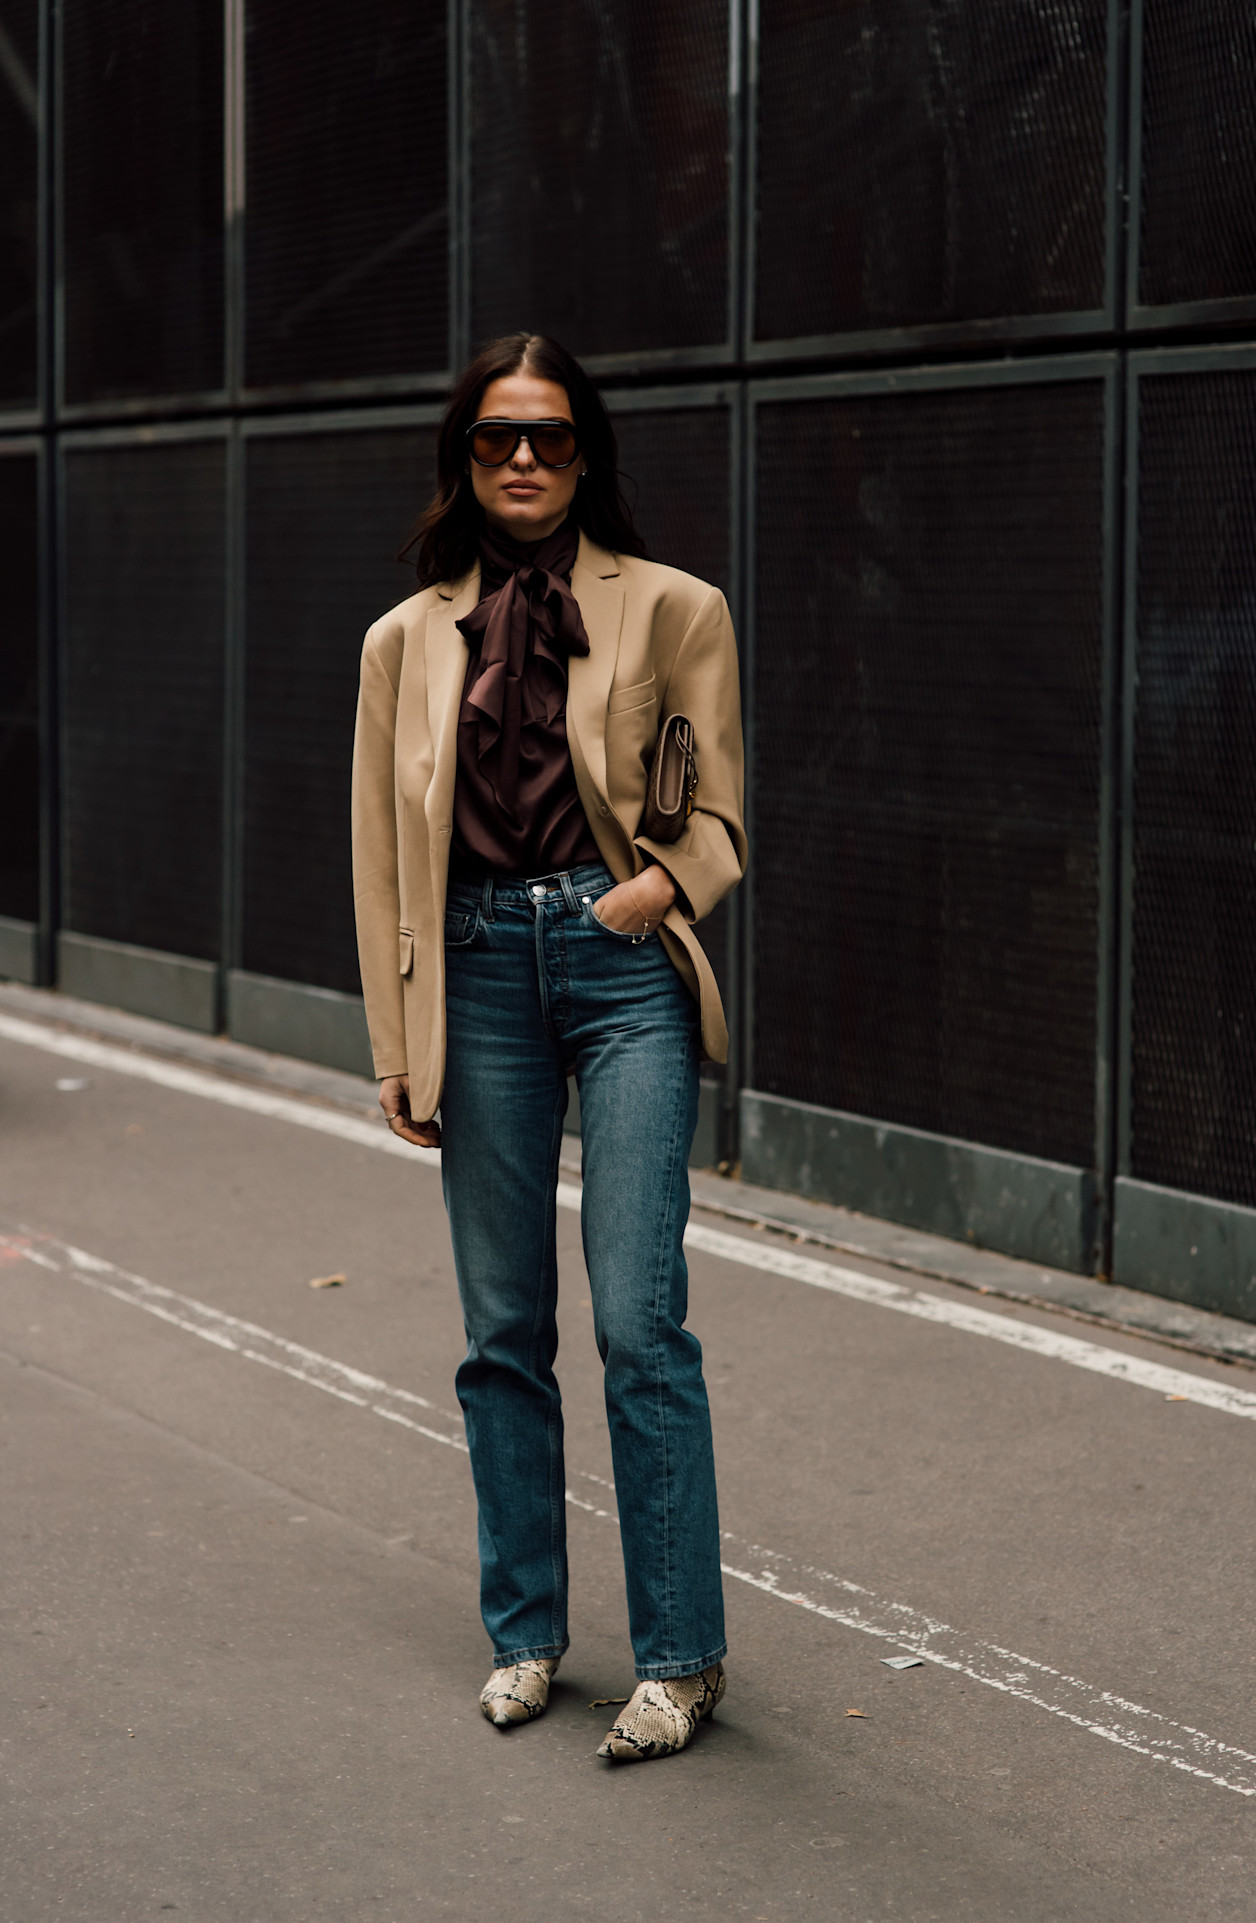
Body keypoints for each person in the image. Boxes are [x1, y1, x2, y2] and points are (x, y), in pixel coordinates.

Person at [351, 332, 745, 1763]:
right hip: (470, 974)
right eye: (497, 438)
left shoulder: (675, 608)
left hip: (620, 964)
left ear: (587, 455)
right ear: (465, 459)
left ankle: (680, 1660)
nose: (524, 458)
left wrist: (655, 890)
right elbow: (379, 859)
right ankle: (526, 1634)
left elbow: (718, 812)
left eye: (551, 436)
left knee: (640, 1321)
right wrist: (397, 1042)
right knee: (502, 1331)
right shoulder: (403, 641)